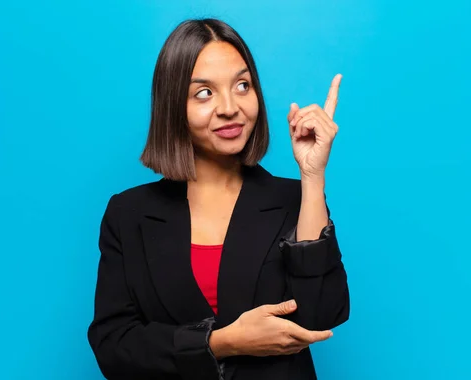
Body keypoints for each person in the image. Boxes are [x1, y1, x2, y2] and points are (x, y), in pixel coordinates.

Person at [87, 18, 350, 380]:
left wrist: (312, 175)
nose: (230, 107)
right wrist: (220, 342)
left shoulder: (294, 198)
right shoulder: (129, 214)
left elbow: (320, 317)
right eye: (204, 93)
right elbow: (113, 347)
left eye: (242, 85)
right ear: (173, 106)